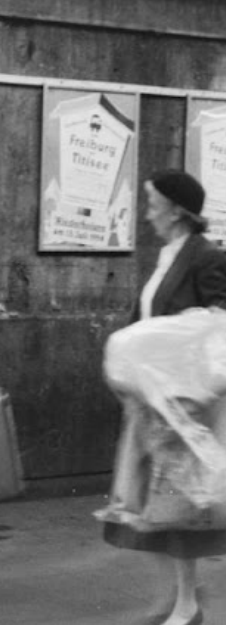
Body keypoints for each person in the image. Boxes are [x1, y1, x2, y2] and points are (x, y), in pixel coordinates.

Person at [102, 169, 225, 626]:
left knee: (180, 507)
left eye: (153, 201)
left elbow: (215, 325)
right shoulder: (168, 254)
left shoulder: (206, 257)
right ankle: (175, 595)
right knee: (153, 505)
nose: (147, 208)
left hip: (184, 404)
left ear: (177, 209)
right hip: (153, 403)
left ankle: (187, 605)